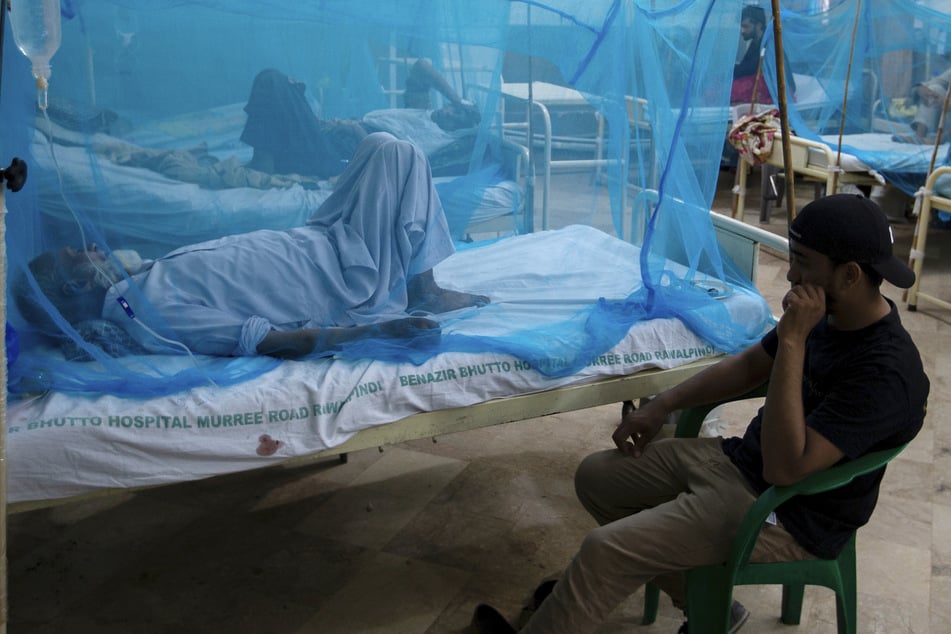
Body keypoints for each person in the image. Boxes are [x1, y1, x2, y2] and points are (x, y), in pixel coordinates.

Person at [471, 194, 929, 634]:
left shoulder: (886, 374)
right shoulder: (831, 317)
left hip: (787, 513)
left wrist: (793, 341)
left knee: (604, 551)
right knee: (596, 477)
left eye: (804, 261)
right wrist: (661, 405)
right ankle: (710, 608)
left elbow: (786, 469)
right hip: (742, 464)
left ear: (849, 276)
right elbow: (751, 364)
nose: (790, 274)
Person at [16, 133, 488, 359]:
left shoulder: (137, 285)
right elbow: (267, 339)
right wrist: (378, 332)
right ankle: (423, 286)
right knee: (393, 151)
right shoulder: (147, 312)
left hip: (319, 238)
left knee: (376, 149)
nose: (93, 250)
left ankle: (420, 275)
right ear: (79, 283)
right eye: (82, 256)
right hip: (347, 276)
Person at [241, 61, 481, 179]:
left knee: (272, 81)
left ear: (459, 130)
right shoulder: (420, 110)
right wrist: (459, 99)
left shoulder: (437, 141)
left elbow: (388, 161)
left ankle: (264, 162)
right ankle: (270, 159)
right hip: (333, 137)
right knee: (290, 89)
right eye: (452, 107)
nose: (449, 110)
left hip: (342, 157)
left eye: (457, 115)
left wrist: (354, 129)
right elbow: (421, 68)